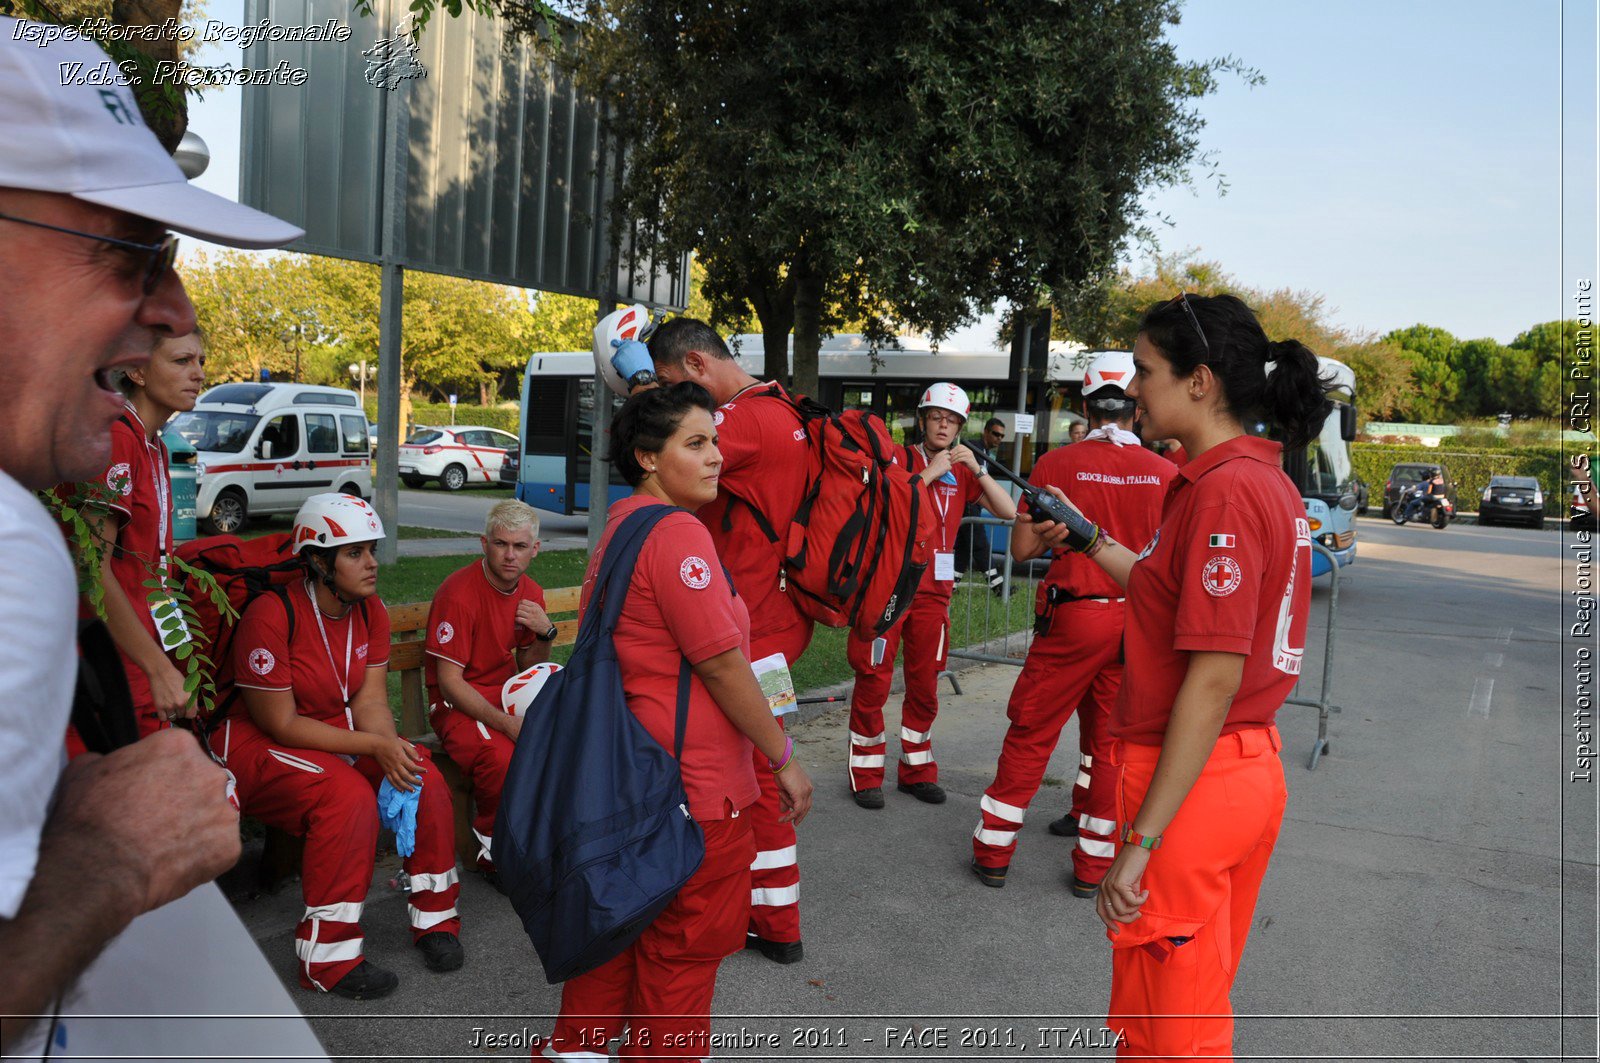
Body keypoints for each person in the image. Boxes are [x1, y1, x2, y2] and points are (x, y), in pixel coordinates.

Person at [0, 21, 300, 1052]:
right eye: (133, 251)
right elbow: (104, 568)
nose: (174, 314)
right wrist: (109, 862)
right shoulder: (10, 551)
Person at [1026, 293, 1328, 1059]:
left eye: (1145, 370)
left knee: (1171, 1030)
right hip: (1238, 766)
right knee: (1187, 1003)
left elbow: (1213, 677)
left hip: (1196, 776)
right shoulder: (1255, 480)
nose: (1132, 389)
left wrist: (1142, 840)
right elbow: (1167, 595)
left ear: (1201, 381)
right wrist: (1090, 538)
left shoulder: (1223, 490)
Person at [539, 383, 814, 1061]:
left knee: (609, 955)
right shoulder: (678, 534)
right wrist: (782, 758)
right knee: (680, 970)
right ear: (647, 456)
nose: (717, 456)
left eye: (715, 440)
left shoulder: (623, 525)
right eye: (696, 444)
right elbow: (722, 666)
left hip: (630, 784)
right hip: (692, 797)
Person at [223, 493, 464, 999]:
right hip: (255, 741)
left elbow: (370, 699)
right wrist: (372, 746)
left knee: (424, 779)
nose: (372, 563)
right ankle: (326, 959)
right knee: (347, 800)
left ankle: (436, 921)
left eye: (370, 549)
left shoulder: (368, 610)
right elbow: (281, 723)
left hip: (333, 727)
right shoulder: (272, 614)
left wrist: (387, 745)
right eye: (354, 553)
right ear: (317, 560)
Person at [639, 318, 815, 963]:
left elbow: (647, 443)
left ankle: (771, 921)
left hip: (747, 627)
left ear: (694, 364)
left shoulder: (738, 421)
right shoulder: (780, 407)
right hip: (775, 618)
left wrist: (634, 390)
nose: (666, 398)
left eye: (668, 384)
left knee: (761, 774)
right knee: (760, 766)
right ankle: (775, 917)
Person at [970, 353, 1172, 894]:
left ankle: (994, 849)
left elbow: (1020, 547)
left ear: (1085, 405)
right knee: (1109, 746)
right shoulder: (1169, 474)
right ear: (1136, 406)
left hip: (1072, 619)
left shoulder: (1057, 466)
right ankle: (1093, 865)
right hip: (1135, 626)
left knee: (1032, 729)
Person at [845, 383, 1016, 808]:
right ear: (922, 420)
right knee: (875, 678)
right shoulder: (899, 458)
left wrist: (975, 469)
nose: (945, 424)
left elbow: (1009, 511)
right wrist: (928, 473)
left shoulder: (962, 468)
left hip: (934, 594)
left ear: (961, 427)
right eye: (938, 416)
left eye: (953, 419)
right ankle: (865, 772)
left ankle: (916, 770)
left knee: (925, 684)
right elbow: (887, 505)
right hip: (888, 589)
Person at [72, 330, 208, 748]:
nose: (198, 373)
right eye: (182, 361)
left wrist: (178, 656)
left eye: (201, 361)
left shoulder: (156, 445)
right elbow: (89, 567)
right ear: (137, 369)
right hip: (108, 655)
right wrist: (157, 668)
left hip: (141, 648)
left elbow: (154, 570)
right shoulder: (116, 437)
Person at [424, 499, 555, 885]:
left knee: (561, 740)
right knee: (501, 757)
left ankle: (537, 842)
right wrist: (506, 723)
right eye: (501, 544)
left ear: (535, 549)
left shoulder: (530, 592)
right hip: (454, 702)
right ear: (484, 543)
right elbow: (449, 682)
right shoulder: (458, 593)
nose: (509, 555)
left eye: (519, 546)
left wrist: (545, 631)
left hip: (504, 693)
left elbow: (531, 668)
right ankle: (493, 853)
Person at [955, 416, 1008, 594]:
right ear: (985, 432)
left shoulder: (984, 452)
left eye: (1001, 436)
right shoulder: (974, 450)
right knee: (980, 544)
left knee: (964, 546)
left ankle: (951, 584)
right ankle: (998, 585)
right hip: (967, 504)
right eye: (995, 434)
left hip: (972, 505)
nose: (998, 439)